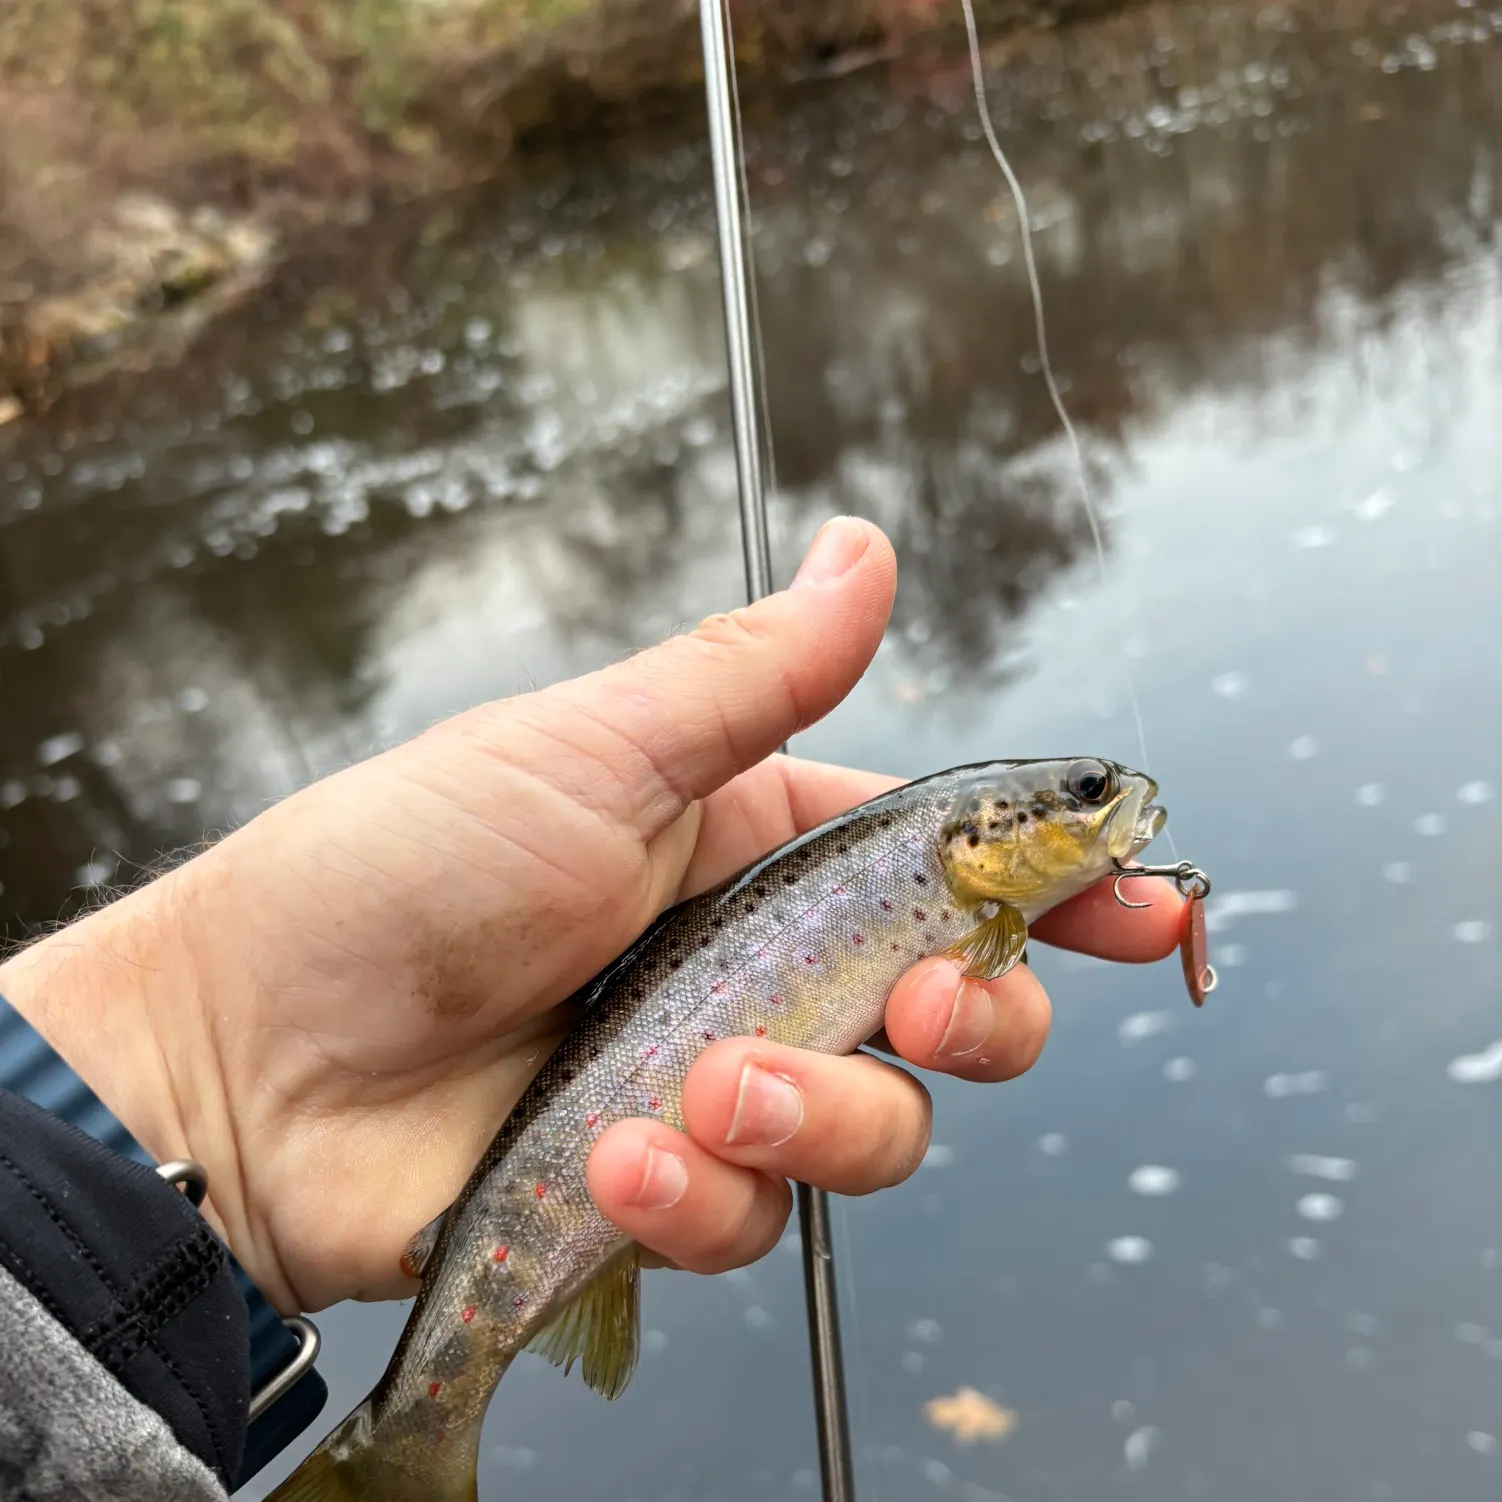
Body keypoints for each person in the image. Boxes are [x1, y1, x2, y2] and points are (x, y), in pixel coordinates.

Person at [0, 517, 1180, 1500]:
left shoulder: (963, 889)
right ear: (983, 839)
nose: (1108, 803)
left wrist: (194, 1077)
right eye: (1080, 797)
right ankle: (414, 1443)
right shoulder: (941, 869)